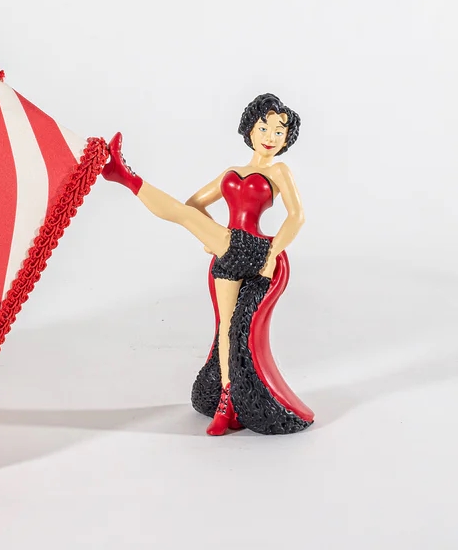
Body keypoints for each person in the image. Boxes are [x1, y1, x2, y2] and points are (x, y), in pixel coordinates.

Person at [103, 93, 314, 435]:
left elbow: (297, 217)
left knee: (184, 217)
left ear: (287, 139)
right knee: (225, 330)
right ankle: (227, 403)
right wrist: (212, 238)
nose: (271, 137)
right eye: (264, 128)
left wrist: (272, 253)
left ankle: (125, 175)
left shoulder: (278, 171)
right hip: (227, 251)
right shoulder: (232, 172)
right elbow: (195, 203)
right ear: (250, 129)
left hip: (252, 249)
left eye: (279, 132)